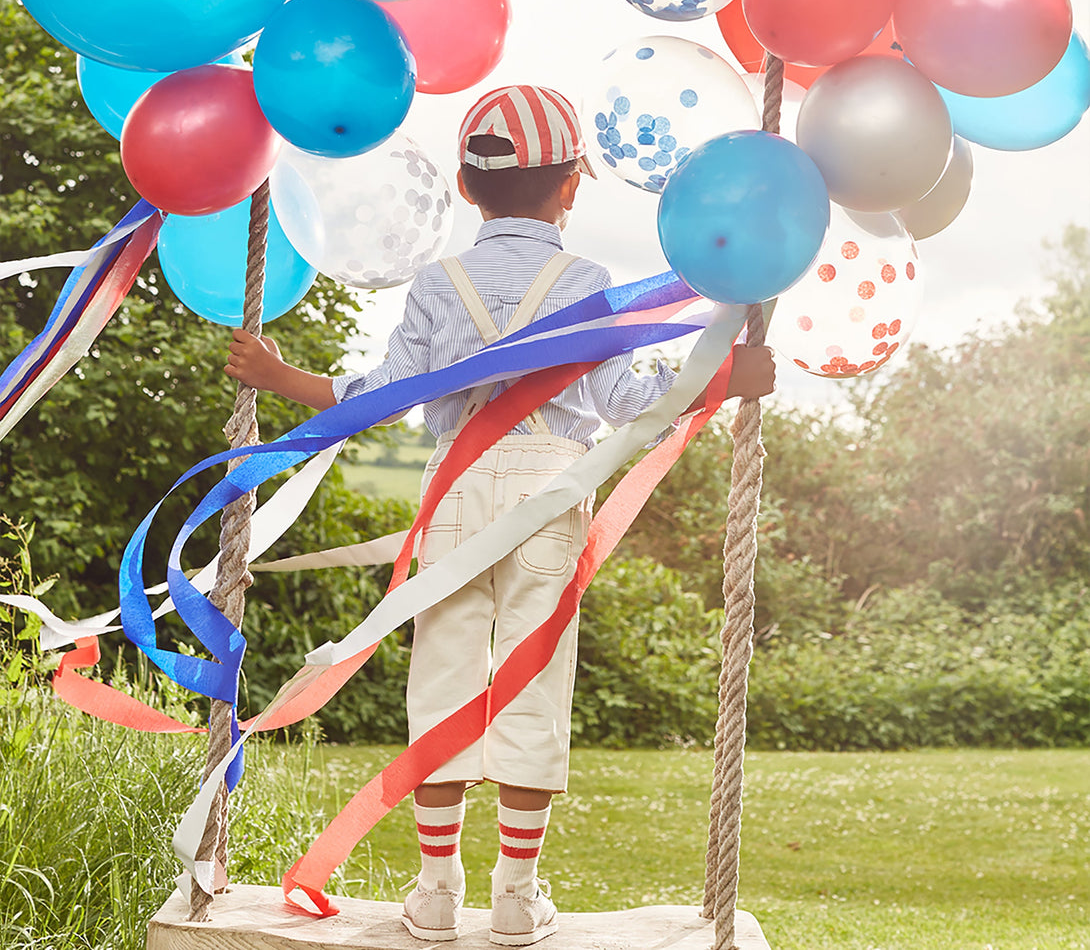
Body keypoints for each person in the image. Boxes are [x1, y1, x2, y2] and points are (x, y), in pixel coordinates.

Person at [225, 85, 776, 945]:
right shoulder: (587, 284)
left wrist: (280, 375)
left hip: (456, 490)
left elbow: (381, 395)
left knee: (442, 675)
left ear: (467, 187)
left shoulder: (440, 283)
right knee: (533, 683)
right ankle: (517, 896)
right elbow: (628, 399)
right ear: (571, 187)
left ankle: (437, 893)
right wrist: (726, 377)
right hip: (550, 492)